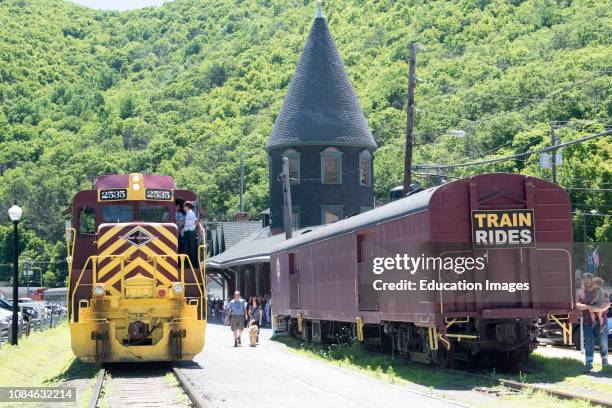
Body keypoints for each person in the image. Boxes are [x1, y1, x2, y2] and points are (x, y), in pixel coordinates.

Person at [576, 273, 610, 371]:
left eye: (589, 279)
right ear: (582, 280)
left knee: (603, 342)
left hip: (601, 322)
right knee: (589, 341)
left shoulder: (599, 289)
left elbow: (607, 303)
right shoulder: (580, 292)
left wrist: (600, 308)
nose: (587, 281)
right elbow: (577, 305)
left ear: (592, 280)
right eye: (584, 279)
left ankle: (605, 362)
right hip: (587, 322)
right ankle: (588, 363)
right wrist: (589, 307)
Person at [183, 201, 198, 265]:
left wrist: (193, 228)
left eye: (184, 206)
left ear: (187, 207)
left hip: (190, 232)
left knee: (190, 248)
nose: (183, 208)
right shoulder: (187, 213)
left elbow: (196, 221)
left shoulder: (192, 213)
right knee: (188, 247)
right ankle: (188, 262)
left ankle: (191, 262)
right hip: (187, 232)